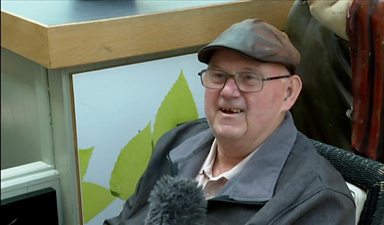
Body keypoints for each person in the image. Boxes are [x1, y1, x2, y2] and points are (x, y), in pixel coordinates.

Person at [104, 18, 355, 225]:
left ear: (288, 93)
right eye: (218, 76)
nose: (228, 91)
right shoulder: (178, 142)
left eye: (249, 78)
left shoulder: (317, 201)